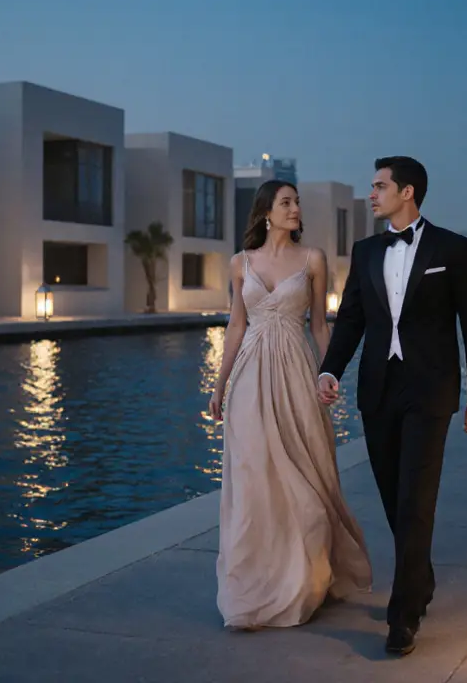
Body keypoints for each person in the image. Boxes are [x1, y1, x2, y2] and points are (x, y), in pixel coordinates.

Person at [317, 156, 467, 656]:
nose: (371, 194)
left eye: (379, 186)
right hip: (377, 389)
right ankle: (423, 578)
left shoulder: (452, 249)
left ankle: (404, 614)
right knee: (395, 497)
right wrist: (330, 370)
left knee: (417, 499)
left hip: (430, 393)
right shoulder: (366, 250)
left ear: (407, 192)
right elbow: (350, 320)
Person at [207, 179, 373, 631]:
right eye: (287, 202)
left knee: (308, 474)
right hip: (248, 378)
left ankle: (305, 578)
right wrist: (220, 385)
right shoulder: (240, 264)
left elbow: (320, 326)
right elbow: (235, 326)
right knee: (253, 476)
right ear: (266, 212)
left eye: (297, 201)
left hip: (297, 374)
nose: (296, 208)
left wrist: (330, 373)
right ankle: (251, 587)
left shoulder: (313, 259)